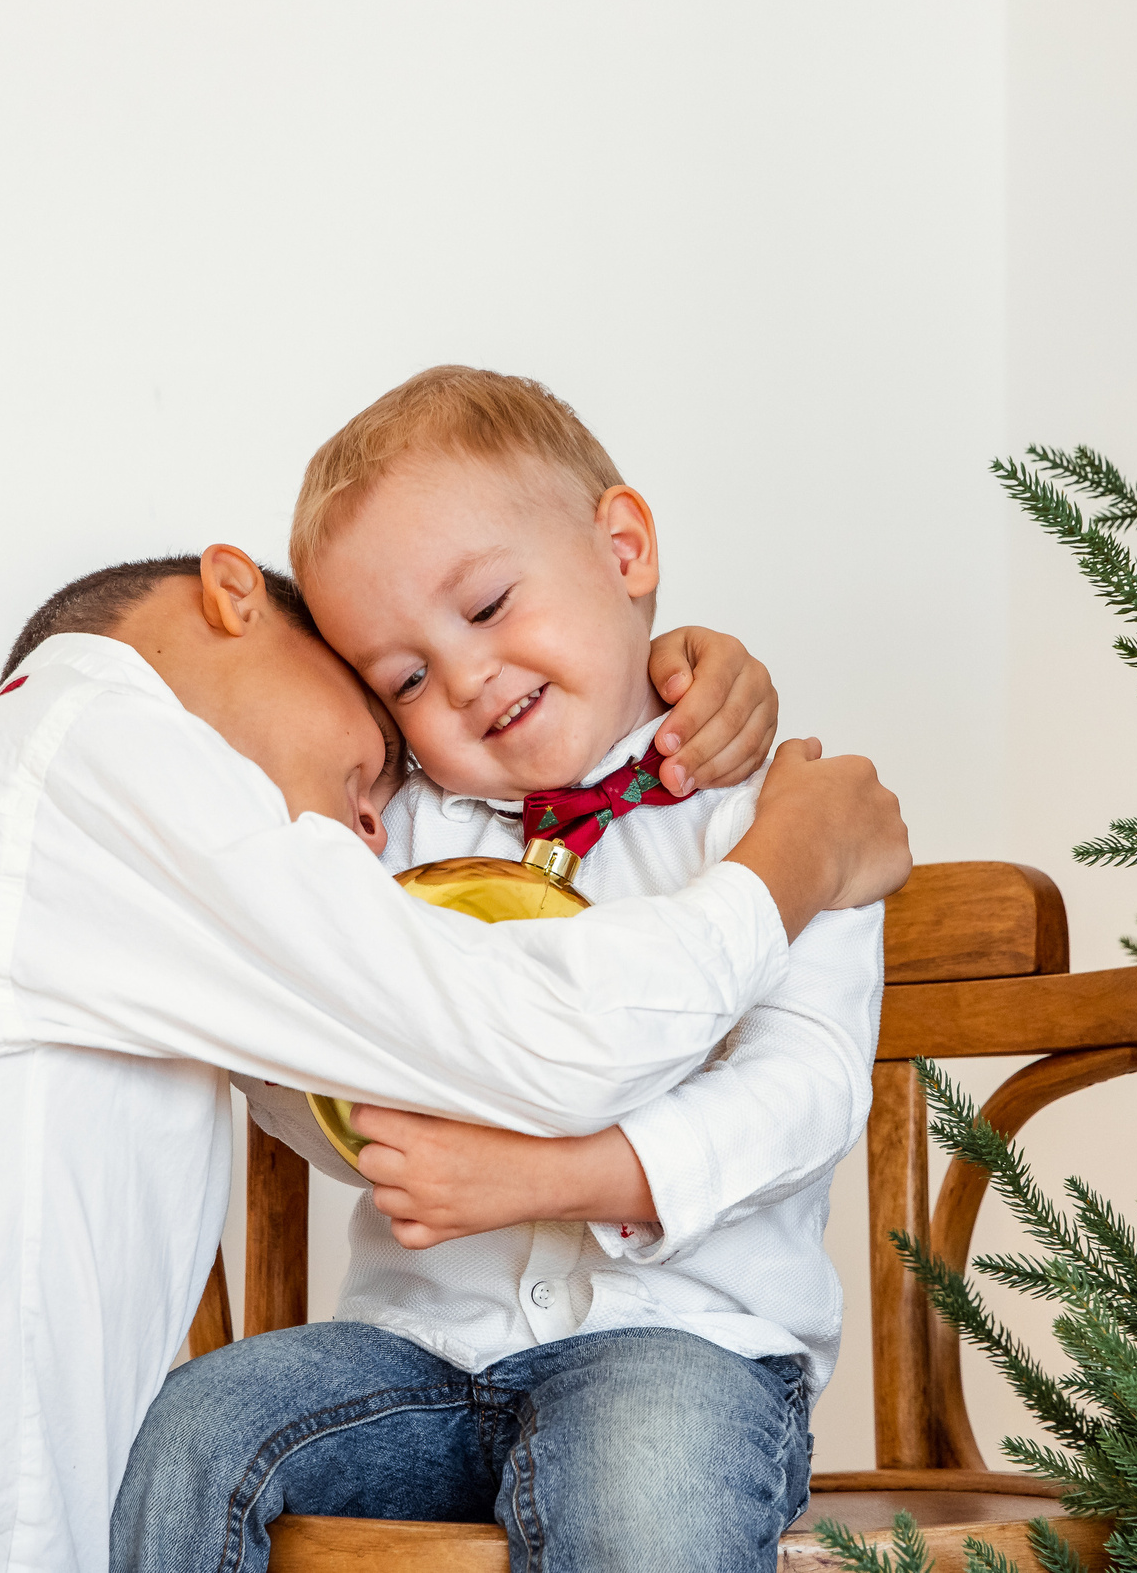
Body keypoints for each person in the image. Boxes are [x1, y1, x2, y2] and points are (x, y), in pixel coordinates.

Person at [0, 545, 909, 1573]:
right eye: (387, 709)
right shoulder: (121, 767)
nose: (372, 820)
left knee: (645, 1479)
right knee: (201, 1429)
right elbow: (535, 1045)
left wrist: (660, 672)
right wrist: (798, 852)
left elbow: (780, 1079)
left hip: (673, 1346)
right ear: (231, 596)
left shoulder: (23, 777)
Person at [112, 367, 885, 1573]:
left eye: (485, 604)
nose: (464, 677)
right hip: (417, 1355)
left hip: (681, 1345)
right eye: (404, 679)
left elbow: (807, 1091)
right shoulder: (390, 838)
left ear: (623, 546)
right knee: (193, 1427)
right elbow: (308, 1062)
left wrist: (557, 1176)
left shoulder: (777, 819)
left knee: (645, 1502)